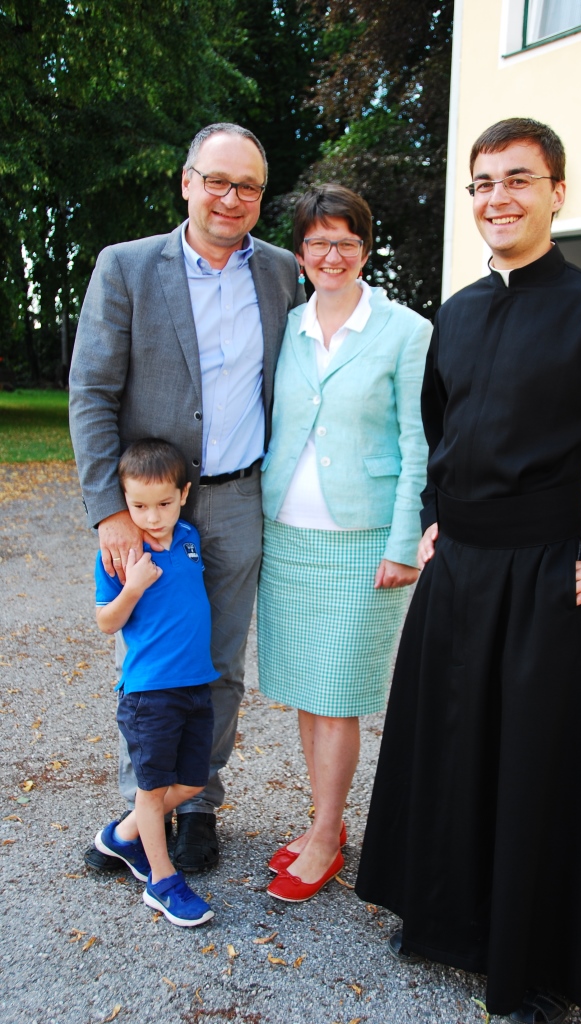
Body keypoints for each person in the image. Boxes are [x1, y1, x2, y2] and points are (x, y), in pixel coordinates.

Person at [355, 118, 581, 1022]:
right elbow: (440, 433)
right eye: (482, 183)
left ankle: (535, 962)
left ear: (556, 193)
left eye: (516, 179)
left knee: (534, 764)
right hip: (455, 570)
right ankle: (442, 919)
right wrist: (432, 519)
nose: (496, 197)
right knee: (449, 741)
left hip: (543, 575)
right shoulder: (456, 314)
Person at [69, 122, 304, 874]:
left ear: (261, 197)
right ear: (186, 182)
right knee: (148, 661)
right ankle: (143, 809)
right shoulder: (127, 267)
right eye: (217, 181)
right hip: (148, 507)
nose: (231, 198)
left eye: (248, 187)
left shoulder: (281, 272)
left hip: (237, 499)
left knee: (219, 663)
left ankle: (197, 800)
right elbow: (91, 391)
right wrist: (111, 511)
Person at [256, 184, 432, 902]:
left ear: (365, 248)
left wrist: (403, 542)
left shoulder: (406, 331)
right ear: (300, 253)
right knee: (307, 689)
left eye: (346, 242)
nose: (332, 255)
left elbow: (419, 444)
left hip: (364, 542)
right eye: (318, 242)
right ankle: (321, 820)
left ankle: (327, 839)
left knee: (337, 695)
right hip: (286, 535)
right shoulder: (286, 326)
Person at [93, 439, 216, 927]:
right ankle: (162, 882)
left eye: (164, 503)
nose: (152, 516)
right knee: (152, 789)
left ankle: (123, 837)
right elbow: (106, 621)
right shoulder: (123, 553)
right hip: (150, 693)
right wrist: (133, 586)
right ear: (124, 501)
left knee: (193, 782)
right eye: (139, 506)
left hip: (196, 685)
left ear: (183, 494)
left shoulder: (188, 536)